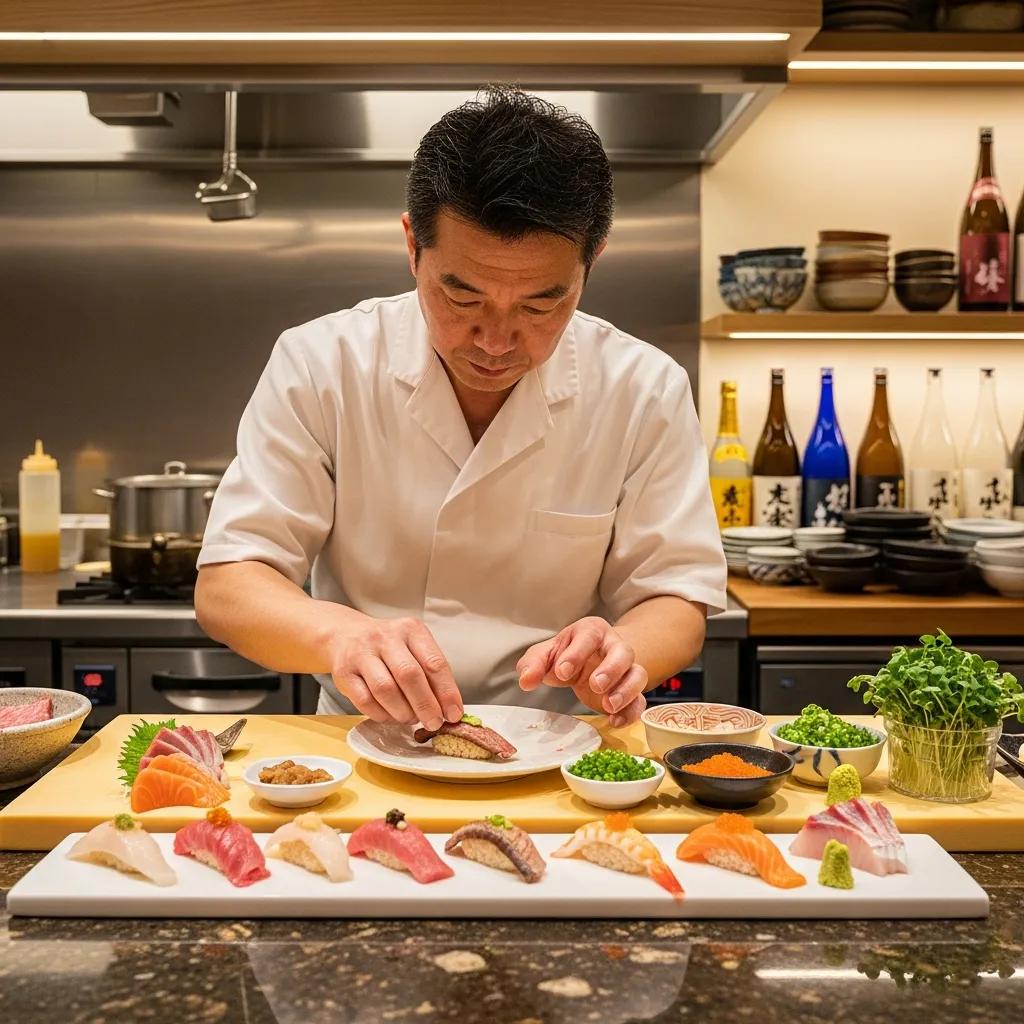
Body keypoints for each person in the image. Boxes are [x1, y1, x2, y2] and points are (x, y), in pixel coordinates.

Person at [195, 85, 726, 731]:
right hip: (368, 736)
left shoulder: (644, 387)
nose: (497, 341)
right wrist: (341, 637)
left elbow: (675, 595)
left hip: (559, 741)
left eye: (540, 305)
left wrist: (624, 651)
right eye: (462, 297)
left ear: (593, 262)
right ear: (413, 245)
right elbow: (228, 584)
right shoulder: (322, 362)